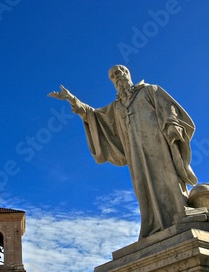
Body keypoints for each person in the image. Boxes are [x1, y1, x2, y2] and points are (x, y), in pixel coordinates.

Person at [48, 65, 198, 238]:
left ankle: (180, 212)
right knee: (142, 188)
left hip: (157, 145)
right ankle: (155, 224)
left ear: (128, 74)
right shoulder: (117, 107)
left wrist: (172, 125)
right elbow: (93, 115)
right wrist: (72, 99)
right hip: (135, 152)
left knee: (169, 178)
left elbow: (168, 108)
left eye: (121, 72)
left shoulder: (149, 90)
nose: (118, 76)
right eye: (113, 75)